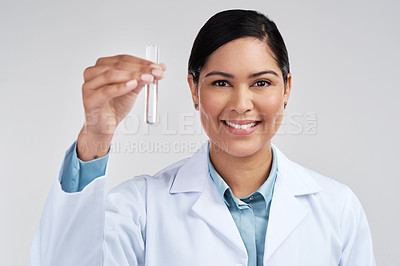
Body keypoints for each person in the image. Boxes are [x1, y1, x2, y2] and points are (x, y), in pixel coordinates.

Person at [31, 9, 376, 266]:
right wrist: (96, 133)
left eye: (261, 83)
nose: (241, 105)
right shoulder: (141, 208)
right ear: (194, 89)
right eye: (221, 83)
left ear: (287, 88)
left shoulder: (337, 208)